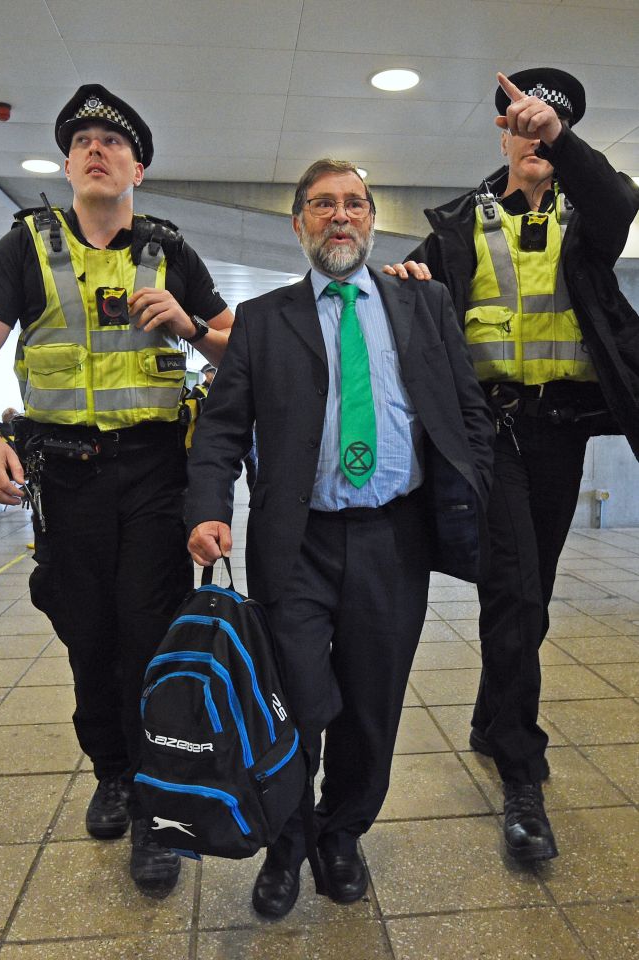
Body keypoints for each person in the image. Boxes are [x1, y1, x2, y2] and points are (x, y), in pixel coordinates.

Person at [185, 159, 494, 918]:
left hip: (396, 538)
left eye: (355, 203)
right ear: (299, 225)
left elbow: (465, 409)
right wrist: (206, 507)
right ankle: (287, 845)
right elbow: (222, 429)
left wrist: (477, 485)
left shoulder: (424, 304)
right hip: (300, 542)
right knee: (293, 701)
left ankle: (343, 834)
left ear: (372, 221)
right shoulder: (264, 320)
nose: (340, 216)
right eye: (322, 204)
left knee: (372, 703)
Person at [387, 69, 639, 862]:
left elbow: (619, 204)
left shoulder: (589, 215)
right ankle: (522, 773)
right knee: (515, 589)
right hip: (488, 436)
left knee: (533, 597)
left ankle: (488, 720)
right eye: (522, 127)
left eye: (548, 130)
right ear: (500, 135)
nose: (533, 140)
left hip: (562, 433)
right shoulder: (460, 223)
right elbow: (410, 296)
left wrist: (566, 143)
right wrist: (409, 284)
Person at [0, 84, 233, 895]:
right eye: (83, 140)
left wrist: (193, 327)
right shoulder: (24, 247)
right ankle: (113, 770)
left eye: (114, 141)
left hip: (156, 474)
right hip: (63, 480)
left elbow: (238, 349)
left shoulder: (172, 253)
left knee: (149, 635)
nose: (98, 148)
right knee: (88, 634)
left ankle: (156, 803)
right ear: (67, 164)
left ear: (140, 166)